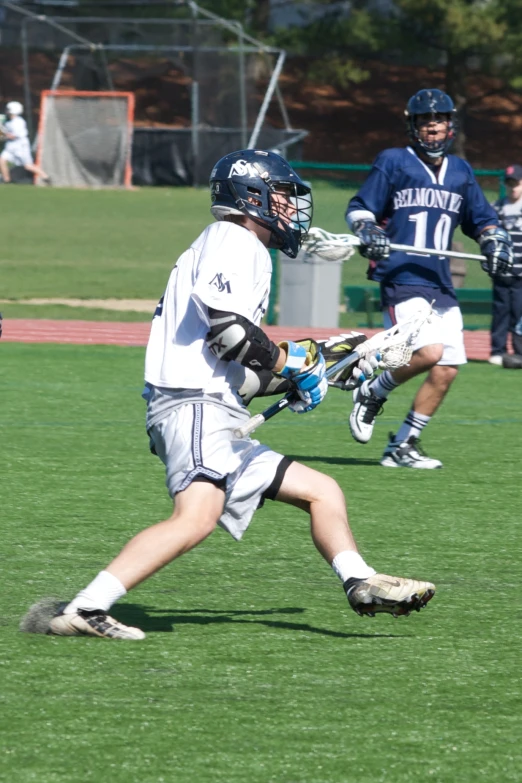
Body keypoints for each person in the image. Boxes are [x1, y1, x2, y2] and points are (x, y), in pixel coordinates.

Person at [23, 149, 435, 640]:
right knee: (196, 517)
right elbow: (231, 335)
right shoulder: (235, 240)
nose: (291, 208)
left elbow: (236, 370)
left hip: (209, 405)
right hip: (191, 406)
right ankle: (85, 608)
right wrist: (296, 364)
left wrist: (318, 368)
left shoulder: (236, 246)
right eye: (282, 195)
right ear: (252, 196)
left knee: (322, 491)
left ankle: (359, 582)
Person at [345, 88, 513, 469]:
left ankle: (403, 445)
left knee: (447, 368)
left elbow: (481, 219)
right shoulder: (393, 162)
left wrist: (494, 240)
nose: (433, 127)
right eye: (425, 121)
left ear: (450, 126)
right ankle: (373, 390)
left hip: (439, 280)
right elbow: (360, 207)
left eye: (439, 121)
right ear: (414, 126)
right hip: (402, 273)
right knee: (430, 351)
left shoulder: (460, 171)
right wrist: (368, 230)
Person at [488, 164, 522, 366]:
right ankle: (497, 350)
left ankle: (519, 351)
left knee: (519, 313)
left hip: (521, 273)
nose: (512, 189)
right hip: (502, 272)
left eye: (516, 184)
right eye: (509, 184)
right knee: (500, 311)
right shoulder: (497, 207)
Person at [0, 101, 50, 184]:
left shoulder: (19, 122)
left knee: (28, 166)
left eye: (8, 109)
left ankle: (46, 177)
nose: (6, 111)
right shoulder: (9, 121)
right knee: (1, 160)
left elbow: (13, 136)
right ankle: (6, 179)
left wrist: (2, 134)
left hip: (20, 146)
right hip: (11, 146)